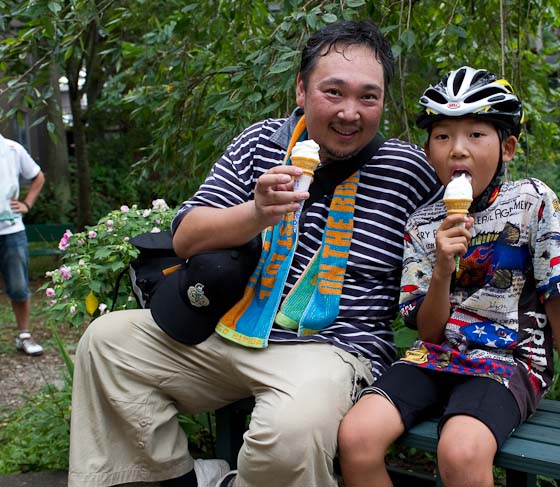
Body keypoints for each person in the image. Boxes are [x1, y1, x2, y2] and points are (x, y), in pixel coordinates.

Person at [68, 20, 440, 487]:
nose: (351, 112)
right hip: (230, 327)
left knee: (292, 430)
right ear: (301, 90)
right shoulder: (261, 142)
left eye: (368, 96)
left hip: (332, 348)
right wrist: (256, 213)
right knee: (106, 343)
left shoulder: (409, 170)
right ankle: (177, 478)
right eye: (334, 92)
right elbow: (185, 236)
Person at [337, 66, 560, 487]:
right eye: (442, 136)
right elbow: (429, 331)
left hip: (508, 362)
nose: (457, 150)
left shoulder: (533, 202)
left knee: (459, 453)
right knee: (355, 436)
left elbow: (559, 302)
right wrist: (442, 267)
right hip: (435, 356)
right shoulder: (422, 224)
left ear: (507, 147)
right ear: (428, 152)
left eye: (476, 135)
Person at [0, 134, 45, 356]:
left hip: (11, 231)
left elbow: (38, 177)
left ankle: (24, 335)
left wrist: (27, 203)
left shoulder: (13, 149)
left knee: (18, 286)